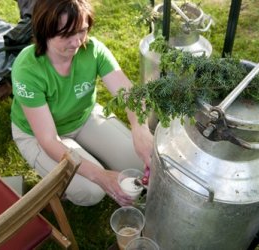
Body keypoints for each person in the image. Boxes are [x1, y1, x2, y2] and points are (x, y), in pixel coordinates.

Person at [10, 0, 153, 207]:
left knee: (139, 163)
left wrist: (140, 129)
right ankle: (66, 185)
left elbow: (129, 95)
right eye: (67, 34)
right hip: (36, 136)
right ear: (44, 31)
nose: (77, 42)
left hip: (83, 118)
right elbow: (49, 140)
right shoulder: (27, 68)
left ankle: (90, 159)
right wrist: (100, 175)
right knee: (92, 191)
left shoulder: (93, 50)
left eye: (82, 30)